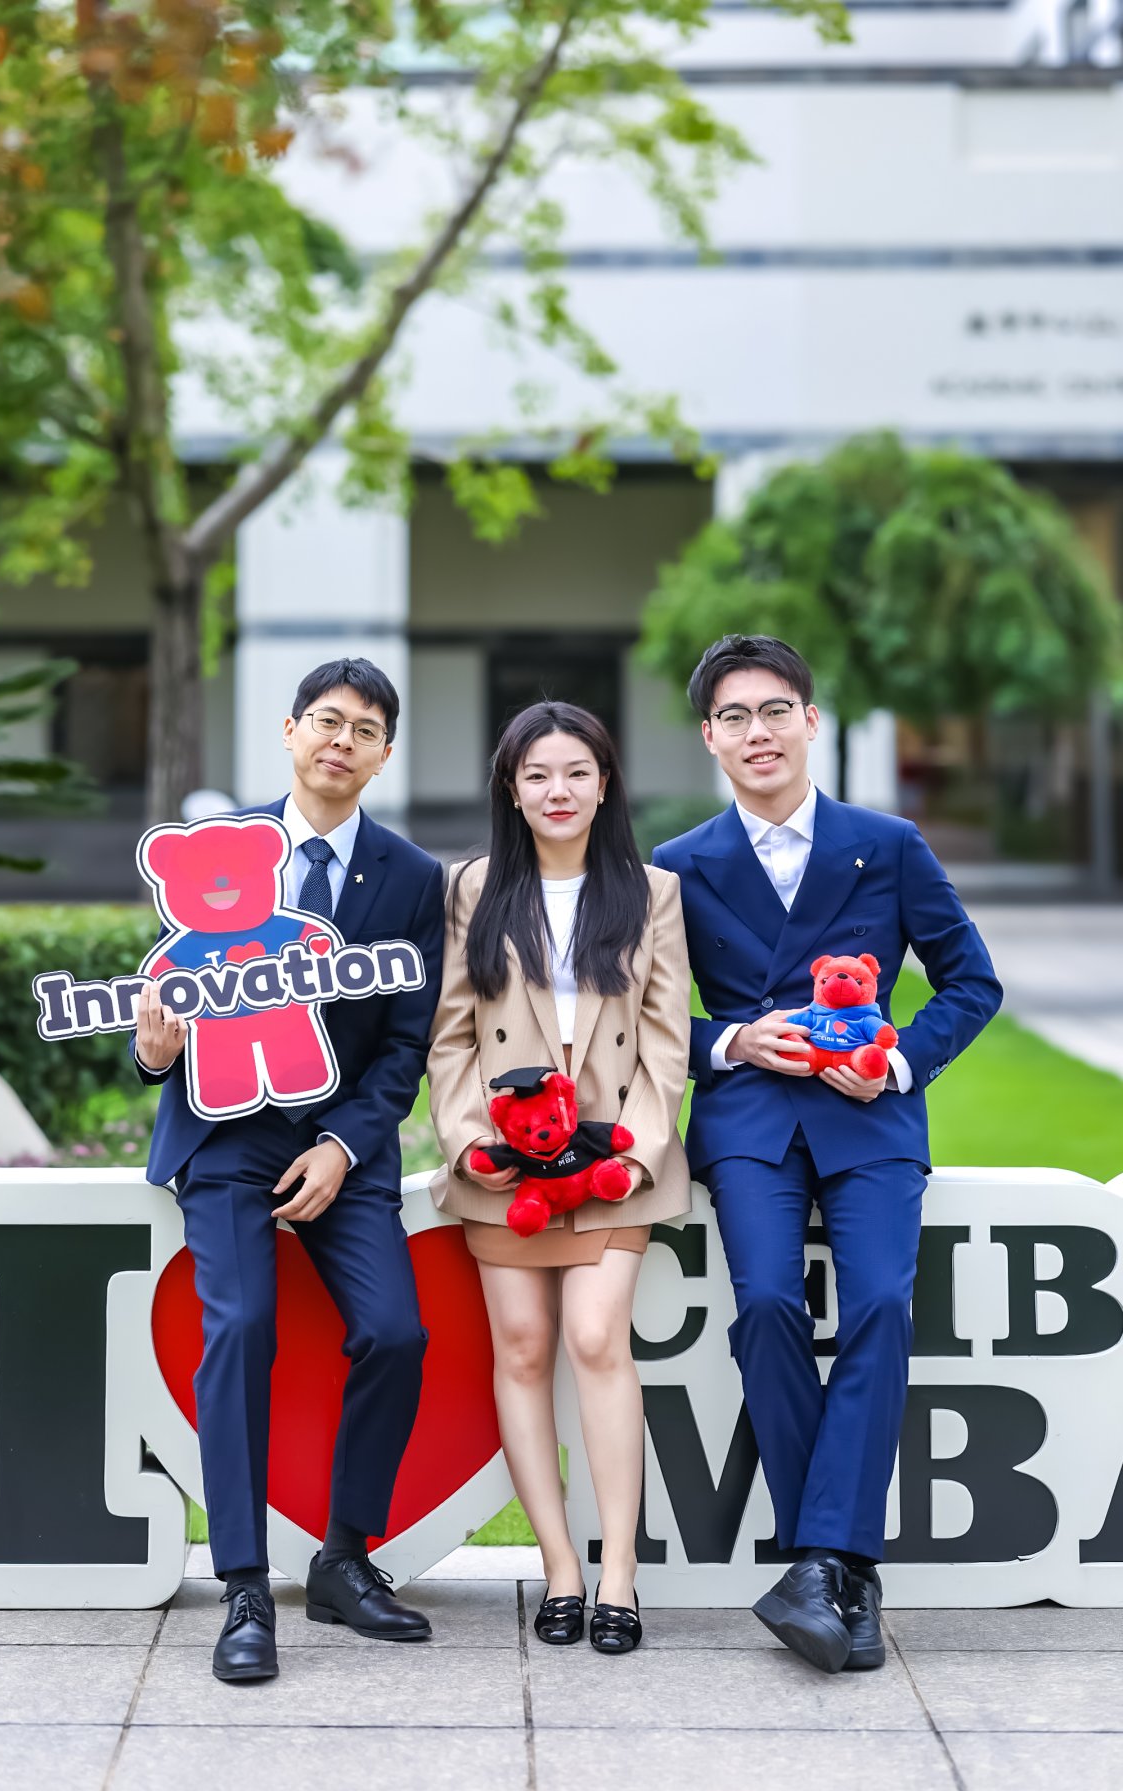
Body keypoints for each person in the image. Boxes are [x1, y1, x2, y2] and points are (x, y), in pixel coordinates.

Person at [653, 634, 1001, 1674]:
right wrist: (731, 1041)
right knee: (765, 1305)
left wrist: (897, 1061)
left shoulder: (887, 844)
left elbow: (972, 982)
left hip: (870, 1118)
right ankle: (842, 1563)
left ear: (811, 721)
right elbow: (647, 1015)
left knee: (883, 1304)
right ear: (710, 737)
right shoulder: (677, 864)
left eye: (775, 711)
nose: (757, 732)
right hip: (749, 1120)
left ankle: (821, 1563)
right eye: (734, 717)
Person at [133, 657, 444, 1683]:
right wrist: (155, 1051)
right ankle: (243, 1589)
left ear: (385, 755)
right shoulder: (217, 853)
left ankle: (345, 1559)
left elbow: (405, 1042)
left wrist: (344, 1144)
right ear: (290, 731)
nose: (341, 742)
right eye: (326, 721)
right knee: (242, 1329)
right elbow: (159, 1002)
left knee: (396, 1332)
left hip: (340, 1145)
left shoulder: (412, 878)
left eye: (365, 730)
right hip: (225, 1141)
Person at [428, 701, 691, 1656]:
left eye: (577, 772)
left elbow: (666, 1042)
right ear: (511, 789)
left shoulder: (652, 893)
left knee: (594, 1337)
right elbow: (452, 1036)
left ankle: (618, 1570)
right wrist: (473, 1144)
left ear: (605, 782)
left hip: (614, 1165)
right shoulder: (473, 888)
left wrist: (637, 1154)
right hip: (507, 1165)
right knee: (524, 1347)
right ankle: (561, 1570)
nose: (558, 791)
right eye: (537, 774)